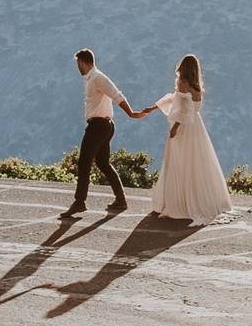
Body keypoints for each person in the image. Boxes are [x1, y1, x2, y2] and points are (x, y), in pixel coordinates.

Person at [60, 48, 150, 218]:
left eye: (78, 64)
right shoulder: (90, 79)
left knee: (84, 162)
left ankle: (79, 202)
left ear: (83, 62)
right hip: (103, 126)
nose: (77, 67)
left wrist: (131, 113)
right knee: (102, 163)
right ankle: (121, 199)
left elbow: (117, 95)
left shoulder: (98, 78)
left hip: (99, 127)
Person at [150, 54, 232, 225]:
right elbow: (186, 106)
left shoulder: (182, 84)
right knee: (196, 164)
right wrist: (154, 107)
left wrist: (174, 128)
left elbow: (183, 109)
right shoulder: (197, 88)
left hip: (184, 128)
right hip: (197, 128)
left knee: (178, 163)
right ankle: (202, 200)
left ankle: (179, 203)